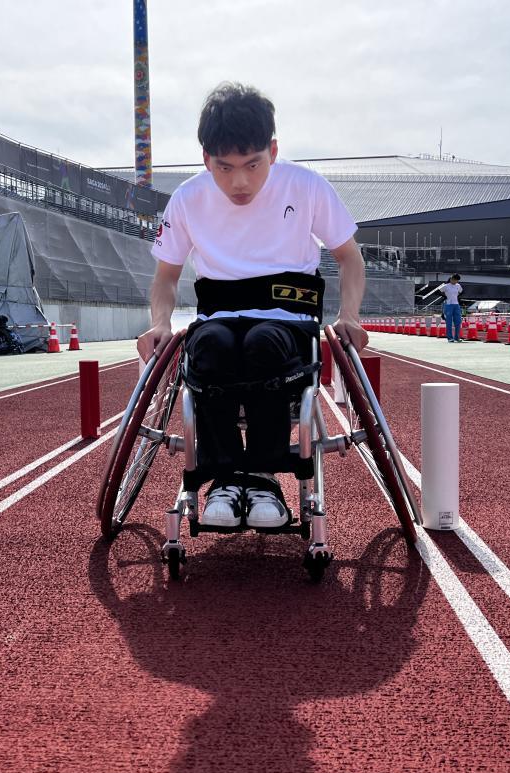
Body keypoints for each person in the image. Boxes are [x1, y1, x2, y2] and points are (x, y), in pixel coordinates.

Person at [138, 82, 366, 528]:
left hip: (287, 320)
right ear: (206, 159)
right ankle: (223, 479)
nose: (239, 181)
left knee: (264, 343)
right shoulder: (187, 199)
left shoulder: (306, 187)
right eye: (224, 168)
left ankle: (262, 476)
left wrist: (349, 316)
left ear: (273, 151)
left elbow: (349, 257)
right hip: (218, 317)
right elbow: (165, 277)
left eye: (252, 165)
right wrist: (160, 322)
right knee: (209, 349)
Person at [439, 274, 463, 341]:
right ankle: (450, 338)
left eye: (457, 280)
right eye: (455, 280)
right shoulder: (446, 286)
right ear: (451, 279)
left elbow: (461, 292)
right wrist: (445, 297)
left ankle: (457, 337)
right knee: (449, 322)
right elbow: (438, 292)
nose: (456, 281)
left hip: (456, 304)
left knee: (458, 321)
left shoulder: (458, 286)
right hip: (448, 304)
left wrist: (456, 296)